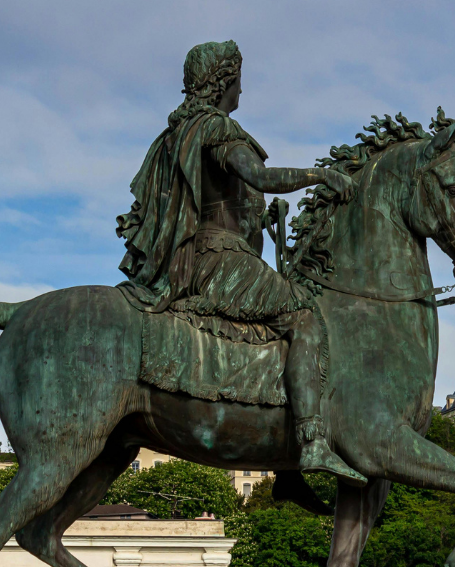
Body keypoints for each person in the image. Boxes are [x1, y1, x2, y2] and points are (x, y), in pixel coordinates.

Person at [115, 40, 364, 485]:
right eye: (238, 83)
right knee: (305, 318)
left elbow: (217, 199)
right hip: (218, 257)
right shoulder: (214, 129)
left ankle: (288, 475)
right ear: (223, 81)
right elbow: (261, 176)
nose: (241, 94)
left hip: (197, 255)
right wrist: (321, 176)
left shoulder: (176, 134)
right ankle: (311, 442)